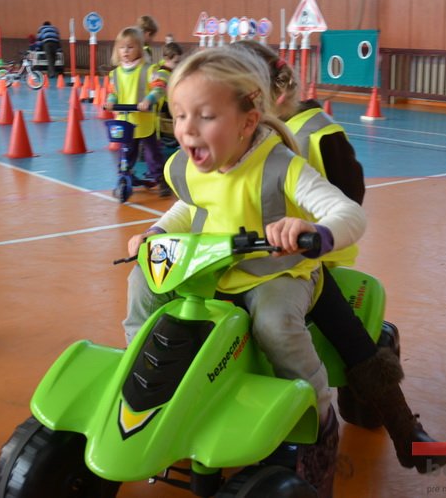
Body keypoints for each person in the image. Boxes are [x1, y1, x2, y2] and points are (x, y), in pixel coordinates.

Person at [122, 47, 366, 497]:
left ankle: (319, 413)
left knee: (274, 323)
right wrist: (156, 232)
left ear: (248, 121)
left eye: (205, 116)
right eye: (179, 115)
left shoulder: (280, 165)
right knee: (143, 281)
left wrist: (314, 231)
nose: (186, 129)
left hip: (275, 273)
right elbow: (189, 206)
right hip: (211, 268)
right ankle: (143, 376)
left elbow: (348, 212)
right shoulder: (189, 165)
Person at [229, 40, 446, 474]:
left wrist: (311, 231)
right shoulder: (235, 136)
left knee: (351, 338)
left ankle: (407, 433)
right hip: (236, 260)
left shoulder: (317, 131)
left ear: (274, 93)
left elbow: (350, 196)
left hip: (303, 261)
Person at [104, 27, 169, 195]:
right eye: (122, 47)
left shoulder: (148, 70)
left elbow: (159, 87)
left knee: (152, 153)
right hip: (125, 121)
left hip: (144, 120)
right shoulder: (115, 74)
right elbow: (113, 92)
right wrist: (110, 102)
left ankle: (161, 179)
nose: (125, 51)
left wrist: (148, 100)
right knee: (125, 152)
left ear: (139, 49)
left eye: (130, 47)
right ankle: (124, 175)